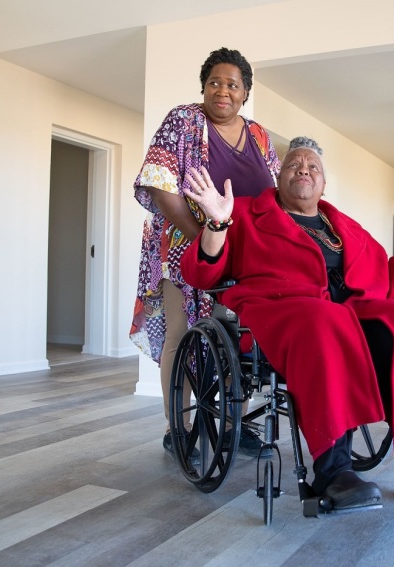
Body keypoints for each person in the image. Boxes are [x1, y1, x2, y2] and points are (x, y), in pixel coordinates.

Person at [179, 136, 394, 509]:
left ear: (323, 184)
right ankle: (333, 471)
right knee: (325, 318)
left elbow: (386, 282)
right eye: (294, 165)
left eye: (313, 167)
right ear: (278, 176)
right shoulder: (244, 213)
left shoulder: (343, 226)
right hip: (280, 312)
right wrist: (217, 221)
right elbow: (202, 274)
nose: (304, 170)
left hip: (347, 315)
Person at [131, 48, 281, 460]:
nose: (223, 91)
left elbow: (275, 199)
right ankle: (176, 427)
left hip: (242, 254)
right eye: (215, 82)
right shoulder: (183, 120)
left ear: (245, 92)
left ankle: (236, 424)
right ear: (203, 86)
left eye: (233, 84)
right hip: (181, 246)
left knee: (240, 339)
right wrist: (204, 237)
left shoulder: (261, 136)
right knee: (181, 339)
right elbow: (160, 184)